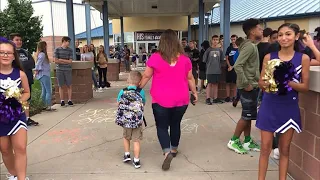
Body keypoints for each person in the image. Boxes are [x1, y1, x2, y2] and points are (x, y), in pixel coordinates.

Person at [256, 23, 310, 180]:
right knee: (265, 148)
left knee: (284, 149)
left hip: (289, 107)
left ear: (296, 36)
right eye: (280, 35)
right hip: (269, 105)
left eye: (288, 34)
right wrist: (268, 83)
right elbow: (261, 82)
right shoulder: (269, 57)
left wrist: (286, 80)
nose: (284, 38)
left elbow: (305, 87)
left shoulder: (303, 58)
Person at [139, 29, 198, 171]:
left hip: (161, 99)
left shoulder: (155, 58)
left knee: (162, 126)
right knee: (176, 123)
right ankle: (174, 150)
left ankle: (166, 152)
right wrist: (195, 93)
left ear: (162, 42)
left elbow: (146, 76)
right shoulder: (185, 59)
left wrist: (137, 89)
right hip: (181, 99)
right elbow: (190, 78)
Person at [227, 18, 262, 154]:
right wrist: (246, 83)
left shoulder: (251, 45)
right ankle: (234, 140)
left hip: (252, 85)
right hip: (248, 86)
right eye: (259, 28)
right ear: (252, 31)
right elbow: (238, 65)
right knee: (246, 116)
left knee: (248, 115)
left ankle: (247, 141)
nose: (261, 31)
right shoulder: (249, 46)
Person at [0, 37, 30, 180]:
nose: (5, 55)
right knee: (5, 150)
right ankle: (14, 175)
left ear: (13, 56)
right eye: (2, 52)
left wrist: (17, 101)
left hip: (17, 116)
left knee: (21, 148)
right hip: (0, 118)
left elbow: (27, 92)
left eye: (8, 53)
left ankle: (22, 179)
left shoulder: (20, 74)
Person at [116, 71, 146, 169]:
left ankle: (127, 154)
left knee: (126, 137)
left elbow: (118, 104)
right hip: (137, 122)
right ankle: (136, 160)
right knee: (136, 141)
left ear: (128, 80)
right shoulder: (141, 92)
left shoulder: (122, 91)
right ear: (139, 82)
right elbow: (143, 104)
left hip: (126, 121)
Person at [9, 33, 38, 126]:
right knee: (15, 100)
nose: (19, 42)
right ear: (11, 41)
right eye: (17, 40)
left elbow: (32, 63)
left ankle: (27, 118)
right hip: (15, 81)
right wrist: (23, 65)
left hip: (27, 79)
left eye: (20, 40)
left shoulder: (25, 52)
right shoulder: (10, 53)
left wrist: (22, 65)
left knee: (26, 100)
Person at [203, 35, 224, 105]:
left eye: (216, 40)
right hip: (209, 70)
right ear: (211, 41)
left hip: (217, 70)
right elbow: (204, 60)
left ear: (218, 41)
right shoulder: (208, 50)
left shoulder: (220, 50)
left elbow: (221, 60)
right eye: (214, 39)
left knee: (215, 84)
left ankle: (215, 98)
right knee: (209, 84)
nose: (215, 41)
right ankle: (208, 98)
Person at [34, 41, 55, 111]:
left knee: (44, 90)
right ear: (44, 46)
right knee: (49, 91)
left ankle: (42, 105)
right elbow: (38, 64)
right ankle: (48, 106)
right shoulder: (42, 55)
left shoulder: (40, 54)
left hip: (42, 75)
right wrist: (36, 71)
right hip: (44, 74)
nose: (47, 47)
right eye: (46, 45)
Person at [54, 36, 74, 106]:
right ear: (64, 41)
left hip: (68, 69)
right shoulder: (57, 50)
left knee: (69, 85)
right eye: (68, 41)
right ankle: (62, 100)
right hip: (59, 69)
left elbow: (70, 61)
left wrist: (61, 60)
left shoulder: (70, 50)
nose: (69, 43)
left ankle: (69, 100)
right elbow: (56, 61)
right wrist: (66, 61)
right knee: (61, 85)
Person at [232, 37, 245, 108]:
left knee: (240, 86)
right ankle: (242, 101)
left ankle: (237, 98)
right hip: (244, 71)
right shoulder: (243, 52)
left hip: (238, 71)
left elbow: (235, 62)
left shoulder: (236, 53)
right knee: (244, 87)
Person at [225, 34, 239, 102]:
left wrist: (233, 67)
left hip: (236, 68)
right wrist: (229, 66)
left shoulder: (239, 48)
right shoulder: (229, 48)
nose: (233, 41)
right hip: (229, 67)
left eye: (234, 39)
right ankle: (228, 96)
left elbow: (239, 59)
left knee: (234, 83)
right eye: (232, 39)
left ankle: (234, 96)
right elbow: (227, 58)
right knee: (228, 82)